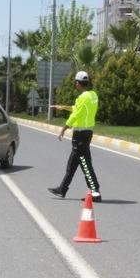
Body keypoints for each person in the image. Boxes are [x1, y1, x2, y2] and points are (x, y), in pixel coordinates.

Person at [48, 71, 102, 202]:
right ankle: (62, 189)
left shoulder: (82, 97)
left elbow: (76, 114)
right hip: (87, 133)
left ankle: (95, 193)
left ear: (78, 83)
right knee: (72, 164)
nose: (75, 84)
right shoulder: (93, 95)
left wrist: (64, 128)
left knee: (85, 164)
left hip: (80, 135)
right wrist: (63, 107)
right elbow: (78, 109)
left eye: (75, 82)